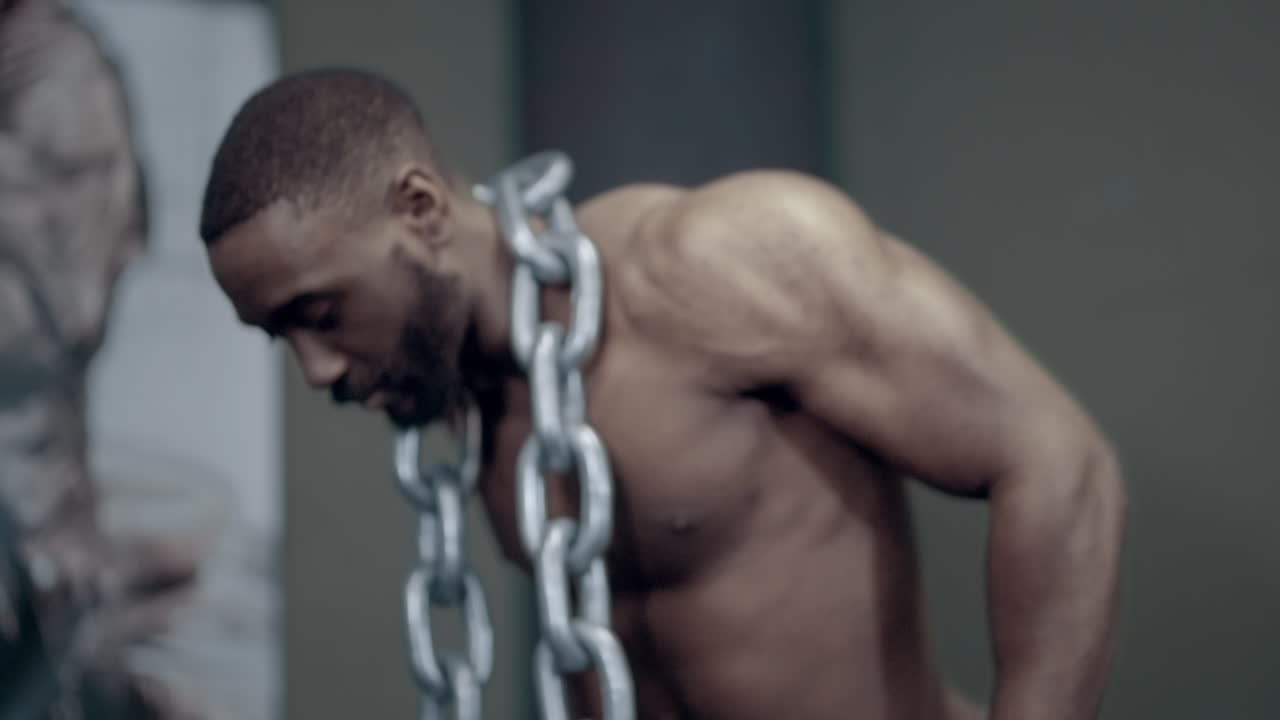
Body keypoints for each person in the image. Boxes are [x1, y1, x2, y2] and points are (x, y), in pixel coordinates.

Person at [200, 68, 1127, 720]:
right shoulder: (468, 402)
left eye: (318, 311)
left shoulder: (715, 264)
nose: (314, 370)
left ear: (422, 210)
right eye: (280, 335)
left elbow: (1056, 461)